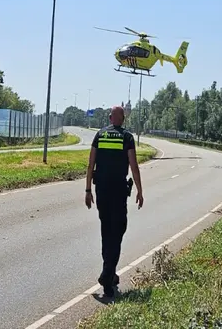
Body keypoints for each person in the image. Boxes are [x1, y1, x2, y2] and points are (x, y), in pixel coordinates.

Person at [84, 105, 144, 299]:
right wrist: (140, 190)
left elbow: (90, 164)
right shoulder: (126, 137)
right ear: (123, 119)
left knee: (106, 231)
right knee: (117, 232)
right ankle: (107, 276)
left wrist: (87, 190)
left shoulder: (99, 135)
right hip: (118, 192)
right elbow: (133, 166)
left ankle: (110, 272)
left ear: (111, 118)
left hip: (101, 191)